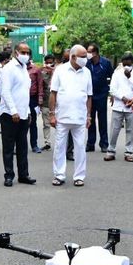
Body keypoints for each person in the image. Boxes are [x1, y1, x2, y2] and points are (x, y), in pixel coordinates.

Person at [49, 44, 93, 187]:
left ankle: (79, 176)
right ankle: (59, 175)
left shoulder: (87, 72)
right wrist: (51, 114)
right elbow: (53, 93)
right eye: (82, 57)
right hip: (62, 116)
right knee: (59, 147)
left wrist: (89, 116)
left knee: (80, 147)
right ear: (73, 57)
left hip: (80, 117)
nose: (85, 59)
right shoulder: (60, 70)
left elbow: (89, 96)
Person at [0, 43, 37, 187]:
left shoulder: (23, 69)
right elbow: (6, 91)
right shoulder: (9, 68)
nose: (25, 55)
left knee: (22, 146)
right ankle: (9, 175)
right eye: (23, 52)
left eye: (28, 52)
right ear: (16, 52)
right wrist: (14, 110)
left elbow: (24, 93)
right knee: (9, 147)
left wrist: (27, 112)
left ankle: (23, 175)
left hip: (23, 113)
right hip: (10, 114)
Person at [105, 52, 133, 162]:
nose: (126, 65)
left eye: (128, 62)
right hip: (118, 105)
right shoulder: (117, 73)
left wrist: (129, 77)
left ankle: (129, 152)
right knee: (114, 130)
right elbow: (112, 89)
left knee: (130, 130)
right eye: (124, 63)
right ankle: (111, 151)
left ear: (132, 62)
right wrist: (123, 98)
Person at [85, 43, 112, 152]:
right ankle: (90, 143)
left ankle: (104, 144)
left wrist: (111, 92)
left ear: (95, 53)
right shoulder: (87, 63)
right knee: (90, 119)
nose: (88, 54)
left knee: (102, 120)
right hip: (90, 96)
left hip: (102, 95)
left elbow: (112, 76)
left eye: (89, 52)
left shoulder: (105, 63)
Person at [27, 50, 45, 154]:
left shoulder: (35, 70)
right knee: (20, 124)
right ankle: (19, 146)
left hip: (32, 99)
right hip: (20, 100)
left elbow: (40, 85)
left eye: (27, 54)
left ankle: (34, 145)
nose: (25, 56)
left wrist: (40, 99)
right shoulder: (17, 69)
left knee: (32, 123)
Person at [40, 54, 56, 151]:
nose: (49, 64)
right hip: (46, 102)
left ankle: (62, 142)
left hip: (57, 103)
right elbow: (40, 86)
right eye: (47, 62)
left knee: (59, 124)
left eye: (51, 62)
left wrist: (53, 72)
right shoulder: (42, 72)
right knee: (46, 124)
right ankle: (47, 142)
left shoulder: (59, 71)